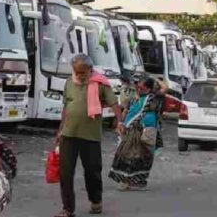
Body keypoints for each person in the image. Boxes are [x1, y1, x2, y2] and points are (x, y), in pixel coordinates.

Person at [54, 54, 123, 217]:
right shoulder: (69, 82)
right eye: (76, 72)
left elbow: (114, 103)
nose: (79, 75)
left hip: (90, 136)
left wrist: (120, 122)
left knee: (92, 171)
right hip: (68, 134)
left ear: (90, 70)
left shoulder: (100, 83)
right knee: (66, 173)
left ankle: (96, 200)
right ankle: (68, 209)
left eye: (82, 72)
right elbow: (66, 107)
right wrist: (59, 130)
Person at [109, 77, 166, 191]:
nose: (139, 88)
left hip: (146, 130)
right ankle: (125, 180)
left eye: (142, 87)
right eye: (138, 86)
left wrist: (154, 78)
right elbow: (126, 112)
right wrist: (121, 124)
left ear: (149, 88)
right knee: (125, 154)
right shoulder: (134, 100)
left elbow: (164, 88)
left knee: (142, 156)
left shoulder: (153, 97)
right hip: (131, 130)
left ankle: (138, 181)